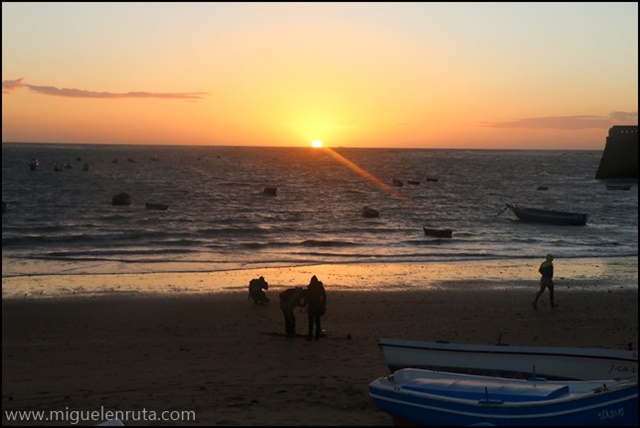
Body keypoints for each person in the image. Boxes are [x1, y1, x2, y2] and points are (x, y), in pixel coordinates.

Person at [306, 275, 327, 341]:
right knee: (317, 321)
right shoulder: (319, 287)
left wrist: (304, 305)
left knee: (311, 322)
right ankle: (317, 336)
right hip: (318, 306)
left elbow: (307, 297)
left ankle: (310, 336)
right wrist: (323, 305)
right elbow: (324, 297)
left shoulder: (310, 287)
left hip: (311, 306)